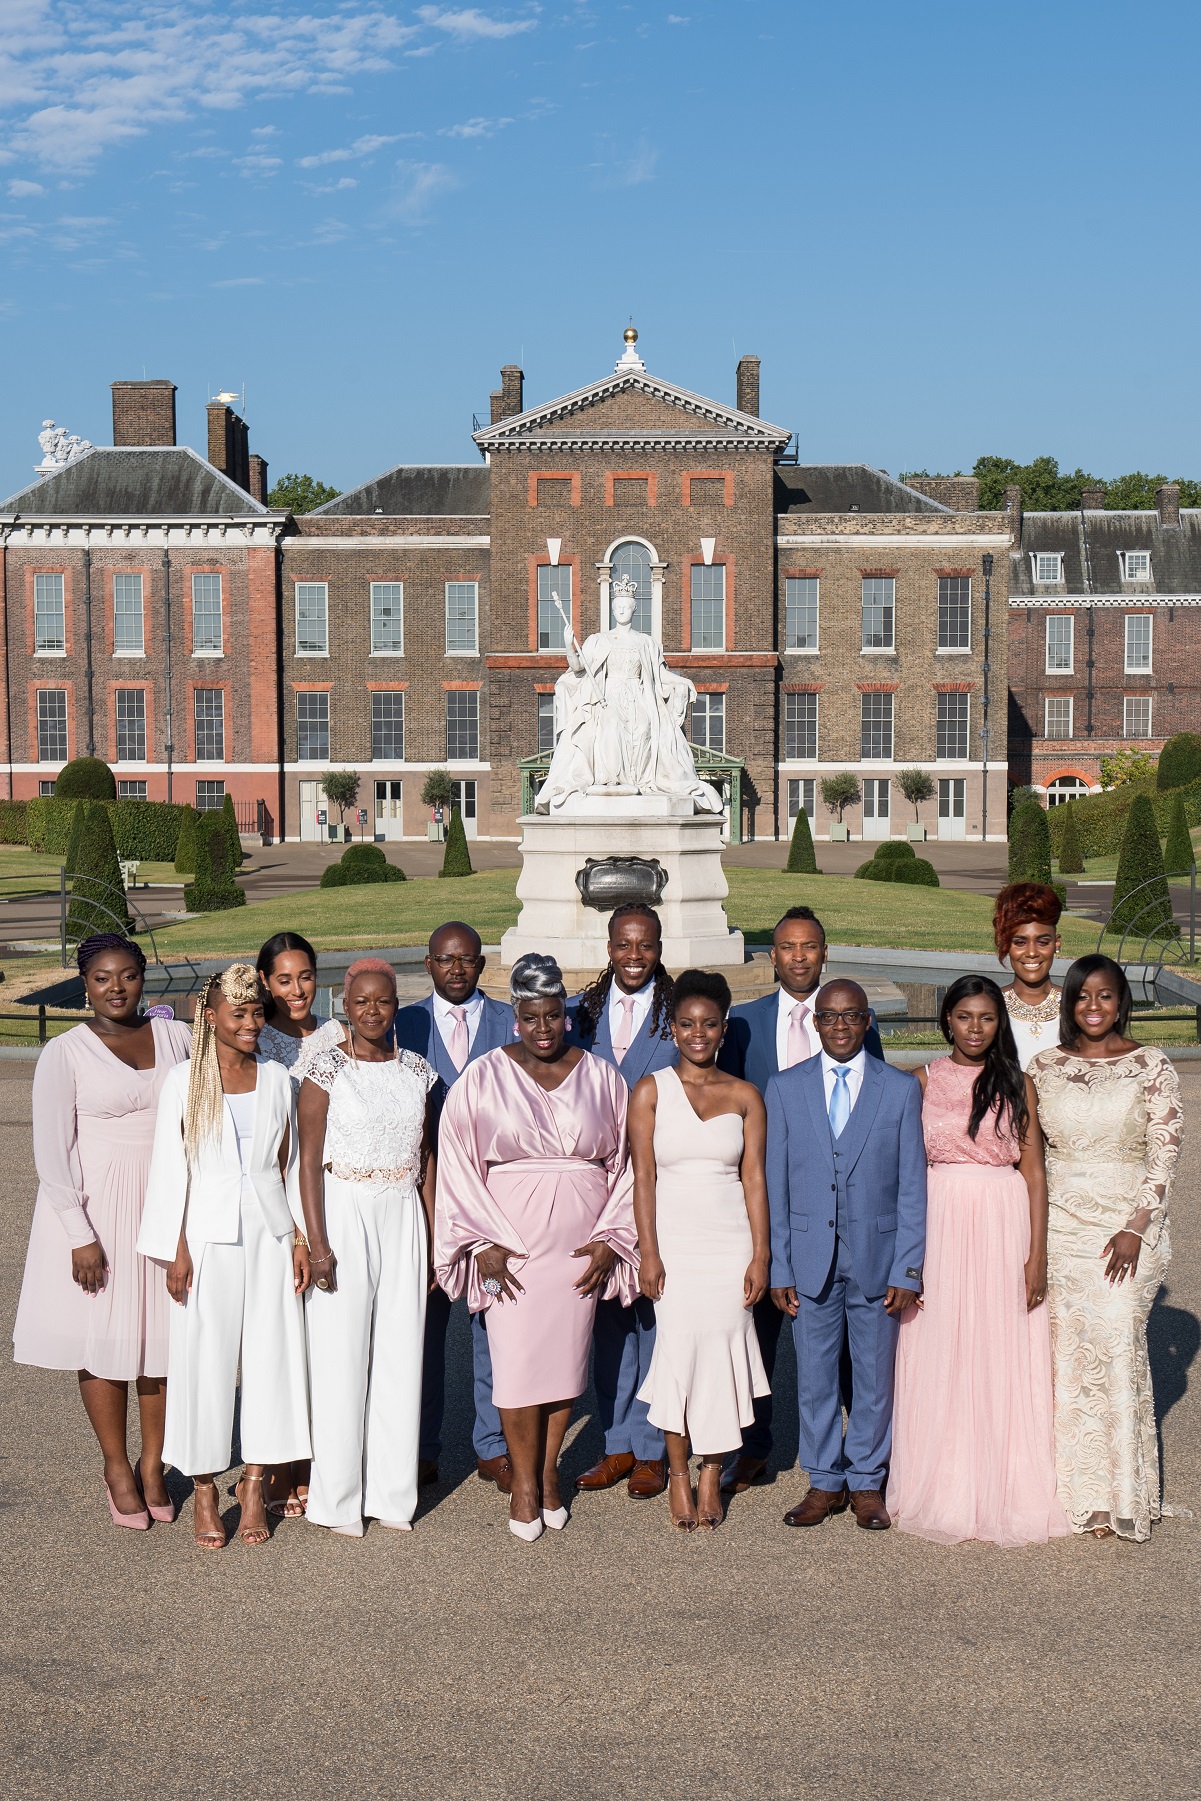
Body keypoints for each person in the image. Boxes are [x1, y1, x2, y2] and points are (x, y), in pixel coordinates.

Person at [434, 953, 638, 1542]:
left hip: (578, 1248)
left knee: (564, 1366)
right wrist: (481, 1243)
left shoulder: (602, 1076)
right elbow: (456, 1162)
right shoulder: (482, 1075)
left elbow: (626, 1165)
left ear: (565, 1015)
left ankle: (549, 1476)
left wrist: (609, 1240)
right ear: (515, 1017)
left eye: (553, 1016)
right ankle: (523, 1484)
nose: (543, 1028)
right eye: (531, 1017)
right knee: (517, 1368)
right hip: (508, 1248)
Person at [13, 934, 192, 1529]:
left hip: (165, 1204)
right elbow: (52, 1152)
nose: (116, 988)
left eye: (128, 976)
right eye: (101, 978)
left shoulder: (178, 1038)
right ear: (84, 984)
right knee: (106, 1338)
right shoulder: (64, 1053)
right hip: (101, 1211)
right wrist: (77, 1233)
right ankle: (115, 1467)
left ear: (145, 977)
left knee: (163, 1339)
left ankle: (153, 1464)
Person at [888, 976, 1068, 1546]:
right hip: (939, 1218)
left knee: (999, 1347)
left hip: (1001, 1218)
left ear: (1000, 1024)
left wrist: (1036, 1255)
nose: (974, 1028)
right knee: (940, 1344)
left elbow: (1034, 1172)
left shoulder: (1019, 1083)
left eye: (987, 1018)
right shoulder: (919, 1081)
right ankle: (941, 1479)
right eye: (964, 1016)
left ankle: (1004, 1483)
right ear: (946, 1020)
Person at [138, 964, 310, 1550]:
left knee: (272, 1357)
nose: (251, 1024)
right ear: (209, 1017)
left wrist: (301, 1238)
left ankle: (256, 1482)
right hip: (205, 1238)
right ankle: (207, 1485)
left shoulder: (277, 1079)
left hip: (269, 1233)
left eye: (258, 1013)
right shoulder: (185, 1081)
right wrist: (176, 1248)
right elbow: (171, 1169)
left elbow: (287, 1167)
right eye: (239, 1014)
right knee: (203, 1361)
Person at [718, 905, 885, 1495]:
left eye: (808, 946)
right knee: (757, 1330)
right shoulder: (742, 1024)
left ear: (823, 951)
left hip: (835, 1208)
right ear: (772, 957)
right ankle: (755, 1446)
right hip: (762, 1198)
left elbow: (875, 1115)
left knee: (841, 1347)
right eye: (787, 947)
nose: (797, 956)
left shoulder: (855, 1022)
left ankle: (857, 1458)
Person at [1029, 955, 1183, 1541]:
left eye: (1107, 997)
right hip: (1063, 1227)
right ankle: (1078, 1498)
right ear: (1069, 1003)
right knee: (1068, 1357)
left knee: (1118, 1342)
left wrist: (1136, 1227)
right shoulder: (1043, 1067)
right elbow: (1028, 1153)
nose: (1094, 1008)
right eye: (1083, 997)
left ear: (1123, 1001)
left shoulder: (1151, 1064)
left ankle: (1122, 1495)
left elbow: (1164, 1152)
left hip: (1128, 1227)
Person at [767, 979, 926, 1531]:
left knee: (874, 1376)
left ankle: (866, 1481)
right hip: (809, 1261)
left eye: (851, 1016)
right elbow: (777, 1186)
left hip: (878, 1263)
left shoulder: (899, 1090)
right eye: (829, 1017)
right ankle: (823, 1480)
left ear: (867, 1022)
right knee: (813, 1377)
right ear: (815, 1023)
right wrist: (779, 1265)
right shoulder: (784, 1089)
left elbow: (911, 1188)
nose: (839, 1026)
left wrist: (909, 1267)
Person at [297, 959, 437, 1537]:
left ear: (395, 1006)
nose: (372, 1011)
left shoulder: (418, 1071)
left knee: (402, 1359)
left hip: (403, 1213)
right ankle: (336, 1502)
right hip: (344, 1210)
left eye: (383, 1002)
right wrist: (319, 1242)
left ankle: (391, 1496)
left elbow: (426, 1159)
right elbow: (305, 1162)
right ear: (345, 1006)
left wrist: (431, 1240)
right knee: (340, 1360)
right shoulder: (324, 1070)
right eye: (361, 1002)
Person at [630, 971, 770, 1531]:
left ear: (723, 1027)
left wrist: (760, 1256)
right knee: (679, 1354)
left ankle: (714, 1473)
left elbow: (754, 1179)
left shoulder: (745, 1095)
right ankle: (680, 1475)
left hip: (730, 1239)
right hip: (676, 1244)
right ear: (672, 1028)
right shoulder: (650, 1091)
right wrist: (649, 1252)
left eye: (708, 1024)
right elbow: (642, 1180)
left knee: (724, 1356)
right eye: (686, 1023)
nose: (697, 1033)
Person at [394, 922, 515, 1493]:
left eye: (467, 959)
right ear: (429, 963)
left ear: (482, 962)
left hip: (494, 1199)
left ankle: (493, 1445)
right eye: (446, 960)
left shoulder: (511, 1021)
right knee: (422, 1328)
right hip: (423, 1195)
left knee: (492, 1324)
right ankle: (419, 1446)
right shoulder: (402, 1023)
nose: (457, 969)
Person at [570, 903, 678, 1500]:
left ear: (659, 947)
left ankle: (653, 1450)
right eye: (623, 944)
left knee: (656, 1318)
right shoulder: (581, 1015)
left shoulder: (678, 1015)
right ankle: (615, 1444)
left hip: (662, 1185)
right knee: (608, 1320)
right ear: (608, 946)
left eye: (645, 945)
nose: (634, 956)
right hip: (595, 1190)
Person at [255, 929, 342, 1521]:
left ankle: (317, 1457)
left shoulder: (339, 1036)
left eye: (304, 977)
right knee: (279, 1334)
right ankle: (279, 1458)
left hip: (329, 1191)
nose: (296, 990)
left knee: (324, 1334)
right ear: (264, 983)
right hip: (270, 1195)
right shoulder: (251, 1038)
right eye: (283, 979)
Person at [994, 882, 1063, 1070]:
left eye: (1042, 942)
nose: (1032, 952)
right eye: (1020, 942)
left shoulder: (1077, 1004)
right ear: (1006, 945)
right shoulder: (991, 1005)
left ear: (1056, 943)